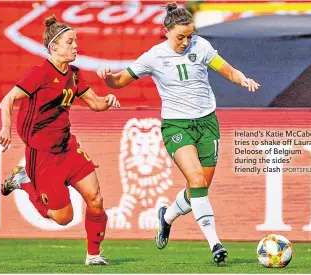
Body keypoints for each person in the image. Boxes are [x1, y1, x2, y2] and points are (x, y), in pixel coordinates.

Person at [96, 2, 260, 265]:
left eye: (190, 36)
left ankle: (167, 216)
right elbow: (120, 81)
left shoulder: (202, 46)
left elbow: (226, 69)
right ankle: (215, 243)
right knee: (196, 179)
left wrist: (243, 79)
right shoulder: (154, 56)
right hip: (177, 126)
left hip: (207, 124)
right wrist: (108, 79)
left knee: (199, 188)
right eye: (180, 37)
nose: (186, 41)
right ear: (166, 31)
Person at [0, 15, 120, 266]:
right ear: (54, 46)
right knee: (64, 217)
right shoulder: (39, 73)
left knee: (95, 198)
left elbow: (95, 104)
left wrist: (108, 100)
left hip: (67, 147)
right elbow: (8, 99)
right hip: (42, 155)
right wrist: (6, 128)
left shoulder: (74, 75)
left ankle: (93, 255)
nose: (75, 47)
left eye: (75, 42)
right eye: (70, 42)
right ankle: (23, 181)